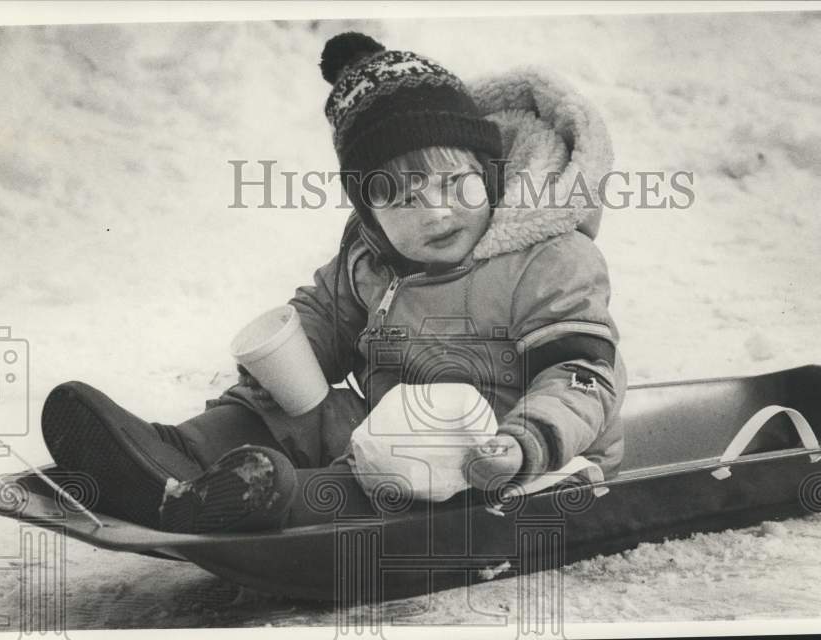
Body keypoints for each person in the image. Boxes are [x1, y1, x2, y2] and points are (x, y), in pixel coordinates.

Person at [42, 32, 627, 534]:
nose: (436, 213)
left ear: (490, 173)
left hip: (511, 458)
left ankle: (277, 503)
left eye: (456, 184)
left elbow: (581, 375)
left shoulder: (549, 259)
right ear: (370, 213)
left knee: (400, 457)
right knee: (295, 406)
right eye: (403, 199)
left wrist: (524, 443)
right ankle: (172, 459)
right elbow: (327, 313)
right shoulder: (373, 256)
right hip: (391, 433)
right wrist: (287, 358)